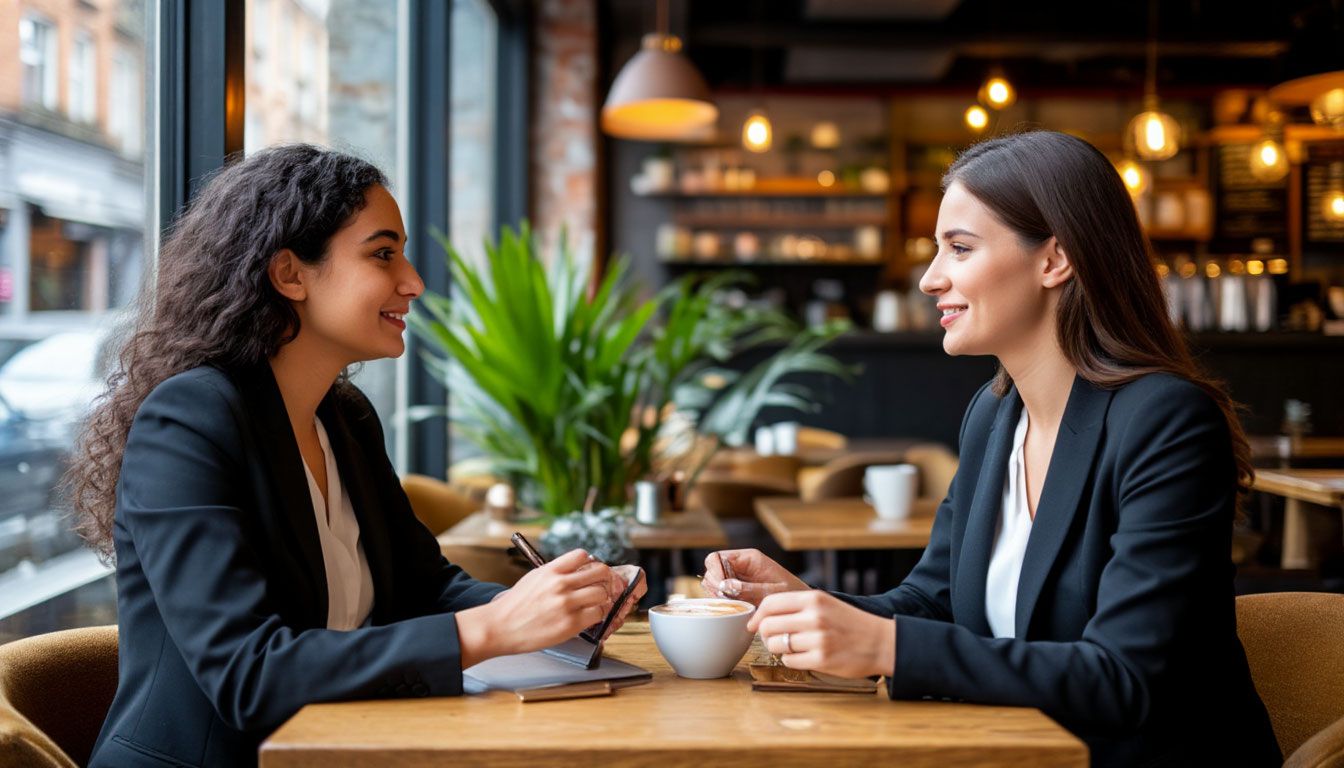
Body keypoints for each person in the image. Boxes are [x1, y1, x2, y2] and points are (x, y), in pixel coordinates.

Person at [702, 131, 1280, 767]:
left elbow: (1123, 679)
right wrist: (806, 602)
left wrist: (885, 647)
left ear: (1053, 260)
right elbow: (933, 602)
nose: (929, 279)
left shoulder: (1164, 421)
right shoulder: (996, 414)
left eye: (959, 248)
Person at [67, 144, 644, 767]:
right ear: (290, 274)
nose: (413, 282)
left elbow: (426, 587)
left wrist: (554, 608)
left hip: (344, 748)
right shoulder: (189, 420)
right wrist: (494, 629)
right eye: (382, 254)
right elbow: (248, 675)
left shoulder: (344, 418)